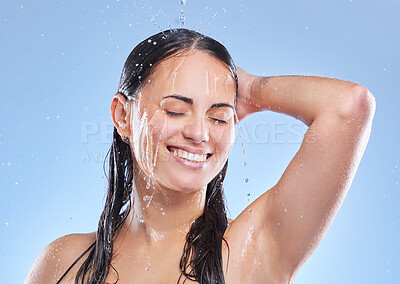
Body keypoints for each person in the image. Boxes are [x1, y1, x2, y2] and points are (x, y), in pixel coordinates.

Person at [24, 28, 376, 284]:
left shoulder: (249, 251)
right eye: (176, 110)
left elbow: (348, 106)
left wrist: (251, 90)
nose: (199, 133)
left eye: (219, 116)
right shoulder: (64, 263)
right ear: (123, 116)